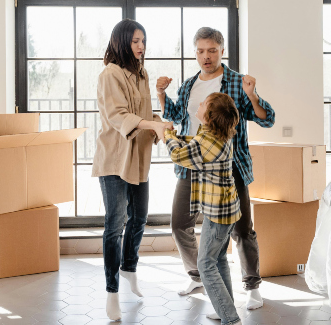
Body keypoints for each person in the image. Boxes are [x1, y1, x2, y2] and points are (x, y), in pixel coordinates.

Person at [157, 27, 276, 310]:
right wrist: (161, 93)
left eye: (212, 50)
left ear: (222, 51)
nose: (206, 56)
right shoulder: (188, 85)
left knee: (242, 229)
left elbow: (267, 119)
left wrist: (253, 96)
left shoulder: (237, 83)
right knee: (179, 224)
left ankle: (252, 285)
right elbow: (174, 114)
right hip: (194, 166)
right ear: (195, 53)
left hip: (229, 168)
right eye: (200, 51)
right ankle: (198, 275)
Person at [93, 18, 172, 321]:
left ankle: (129, 269)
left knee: (139, 218)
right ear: (121, 42)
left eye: (144, 41)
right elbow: (117, 115)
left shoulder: (142, 74)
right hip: (114, 159)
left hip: (138, 158)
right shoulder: (109, 74)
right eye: (136, 41)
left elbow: (140, 114)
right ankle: (111, 291)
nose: (141, 46)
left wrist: (158, 121)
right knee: (115, 224)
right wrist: (151, 124)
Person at [164, 93, 243, 325]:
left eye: (203, 104)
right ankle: (223, 309)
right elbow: (192, 142)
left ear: (209, 116)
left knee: (205, 264)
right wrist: (175, 134)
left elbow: (179, 155)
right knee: (217, 259)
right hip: (223, 210)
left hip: (219, 213)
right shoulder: (213, 134)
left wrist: (166, 134)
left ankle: (231, 319)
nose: (198, 105)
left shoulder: (209, 142)